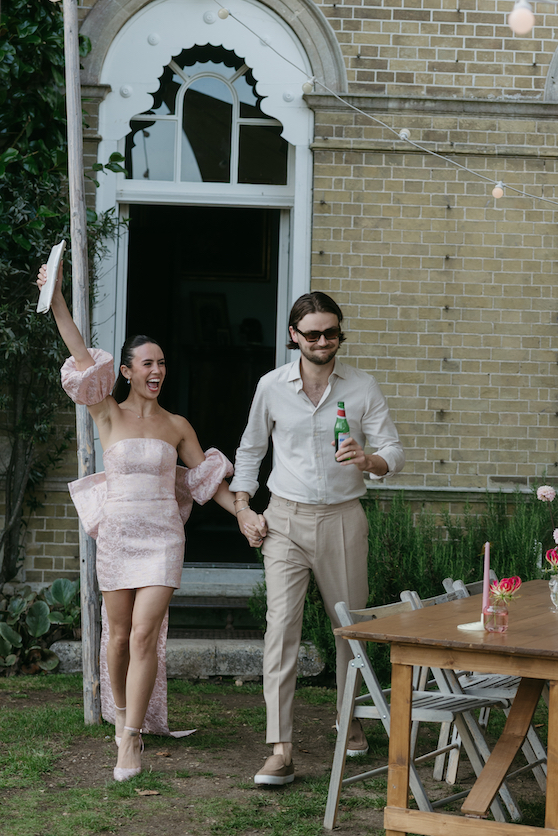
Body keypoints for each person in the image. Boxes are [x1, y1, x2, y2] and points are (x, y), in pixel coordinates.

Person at [37, 263, 240, 782]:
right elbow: (79, 353)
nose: (157, 371)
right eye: (148, 363)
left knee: (146, 634)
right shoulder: (107, 412)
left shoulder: (177, 425)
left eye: (162, 363)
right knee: (119, 638)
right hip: (118, 536)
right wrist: (57, 300)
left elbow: (205, 481)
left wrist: (243, 511)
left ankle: (130, 740)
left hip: (163, 539)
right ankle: (123, 716)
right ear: (125, 371)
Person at [230, 291, 405, 786]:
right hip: (284, 519)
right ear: (294, 335)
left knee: (349, 628)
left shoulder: (362, 386)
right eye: (312, 334)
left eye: (331, 332)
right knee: (280, 629)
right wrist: (243, 508)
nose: (323, 341)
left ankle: (349, 720)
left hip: (344, 518)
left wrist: (370, 460)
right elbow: (250, 450)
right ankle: (280, 749)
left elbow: (394, 450)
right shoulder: (271, 386)